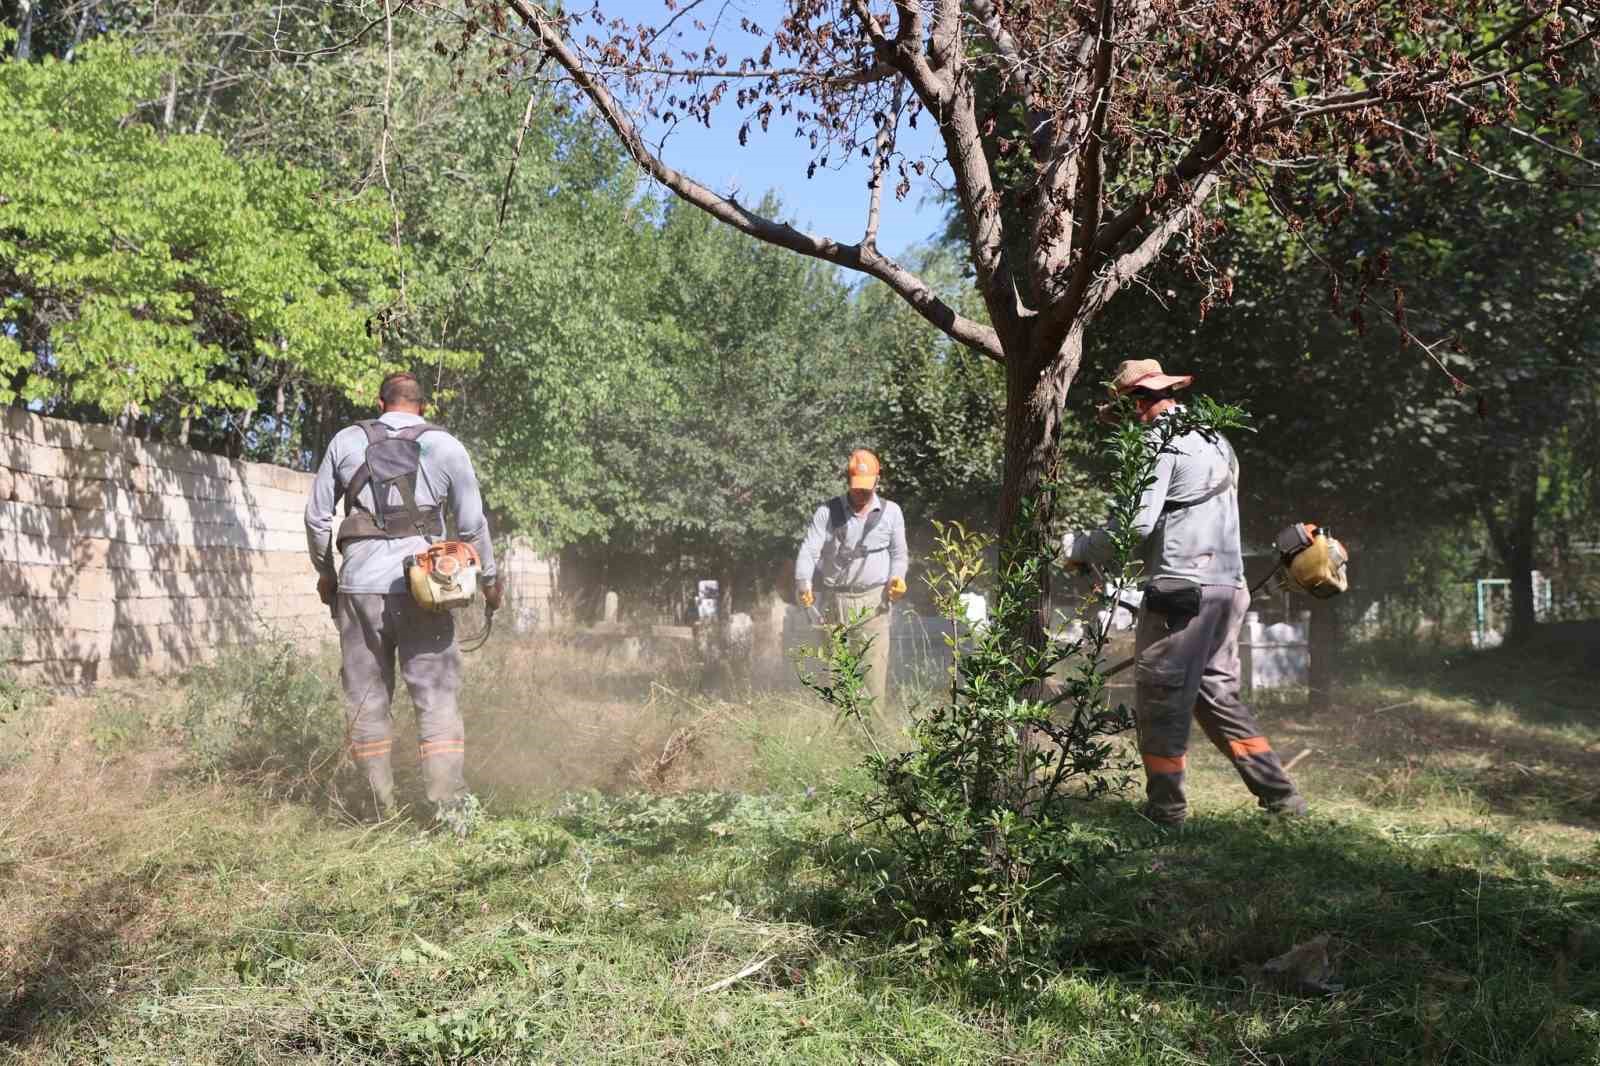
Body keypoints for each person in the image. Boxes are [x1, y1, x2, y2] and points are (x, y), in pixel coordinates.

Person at [1060, 359, 1307, 826]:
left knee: (1160, 698)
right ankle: (1282, 798)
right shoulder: (1216, 439)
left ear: (1139, 402)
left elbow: (1135, 525)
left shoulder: (1160, 441)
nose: (1121, 425)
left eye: (1123, 411)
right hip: (1227, 590)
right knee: (1216, 697)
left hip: (1182, 594)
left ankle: (1165, 812)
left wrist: (1079, 545)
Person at [304, 371, 501, 826]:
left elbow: (318, 519)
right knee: (436, 698)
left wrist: (326, 574)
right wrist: (490, 580)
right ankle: (450, 810)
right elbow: (472, 526)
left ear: (380, 403)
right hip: (427, 588)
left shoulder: (345, 441)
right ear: (423, 408)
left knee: (366, 698)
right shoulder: (446, 446)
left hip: (358, 586)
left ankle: (376, 809)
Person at [794, 449, 909, 708]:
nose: (861, 493)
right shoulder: (827, 512)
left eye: (867, 488)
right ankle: (839, 742)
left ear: (878, 481)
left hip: (875, 603)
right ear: (848, 481)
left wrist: (897, 578)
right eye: (857, 487)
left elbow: (899, 555)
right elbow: (808, 551)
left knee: (873, 677)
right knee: (836, 676)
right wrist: (804, 583)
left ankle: (874, 739)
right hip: (835, 602)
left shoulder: (892, 513)